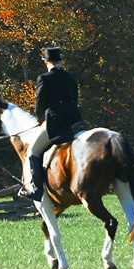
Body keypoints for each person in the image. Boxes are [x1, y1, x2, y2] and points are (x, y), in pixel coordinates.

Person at [22, 46, 85, 201]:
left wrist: (41, 120)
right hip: (75, 120)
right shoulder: (71, 77)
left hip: (55, 122)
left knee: (32, 153)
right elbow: (75, 100)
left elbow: (40, 105)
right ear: (60, 61)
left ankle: (37, 190)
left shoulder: (44, 78)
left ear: (46, 62)